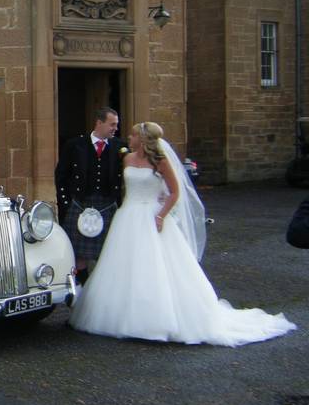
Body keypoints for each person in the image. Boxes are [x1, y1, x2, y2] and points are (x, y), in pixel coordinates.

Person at [69, 122, 296, 346]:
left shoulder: (160, 161)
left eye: (133, 135)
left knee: (155, 265)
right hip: (127, 216)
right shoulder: (127, 159)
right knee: (123, 264)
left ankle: (156, 319)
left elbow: (175, 191)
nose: (129, 138)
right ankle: (116, 314)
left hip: (151, 216)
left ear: (143, 139)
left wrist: (161, 215)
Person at [55, 107, 126, 285]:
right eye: (112, 124)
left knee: (107, 254)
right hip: (80, 205)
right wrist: (66, 204)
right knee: (79, 257)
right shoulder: (75, 145)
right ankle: (83, 292)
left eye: (116, 125)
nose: (115, 128)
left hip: (108, 205)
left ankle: (102, 291)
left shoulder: (120, 147)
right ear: (99, 123)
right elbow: (61, 176)